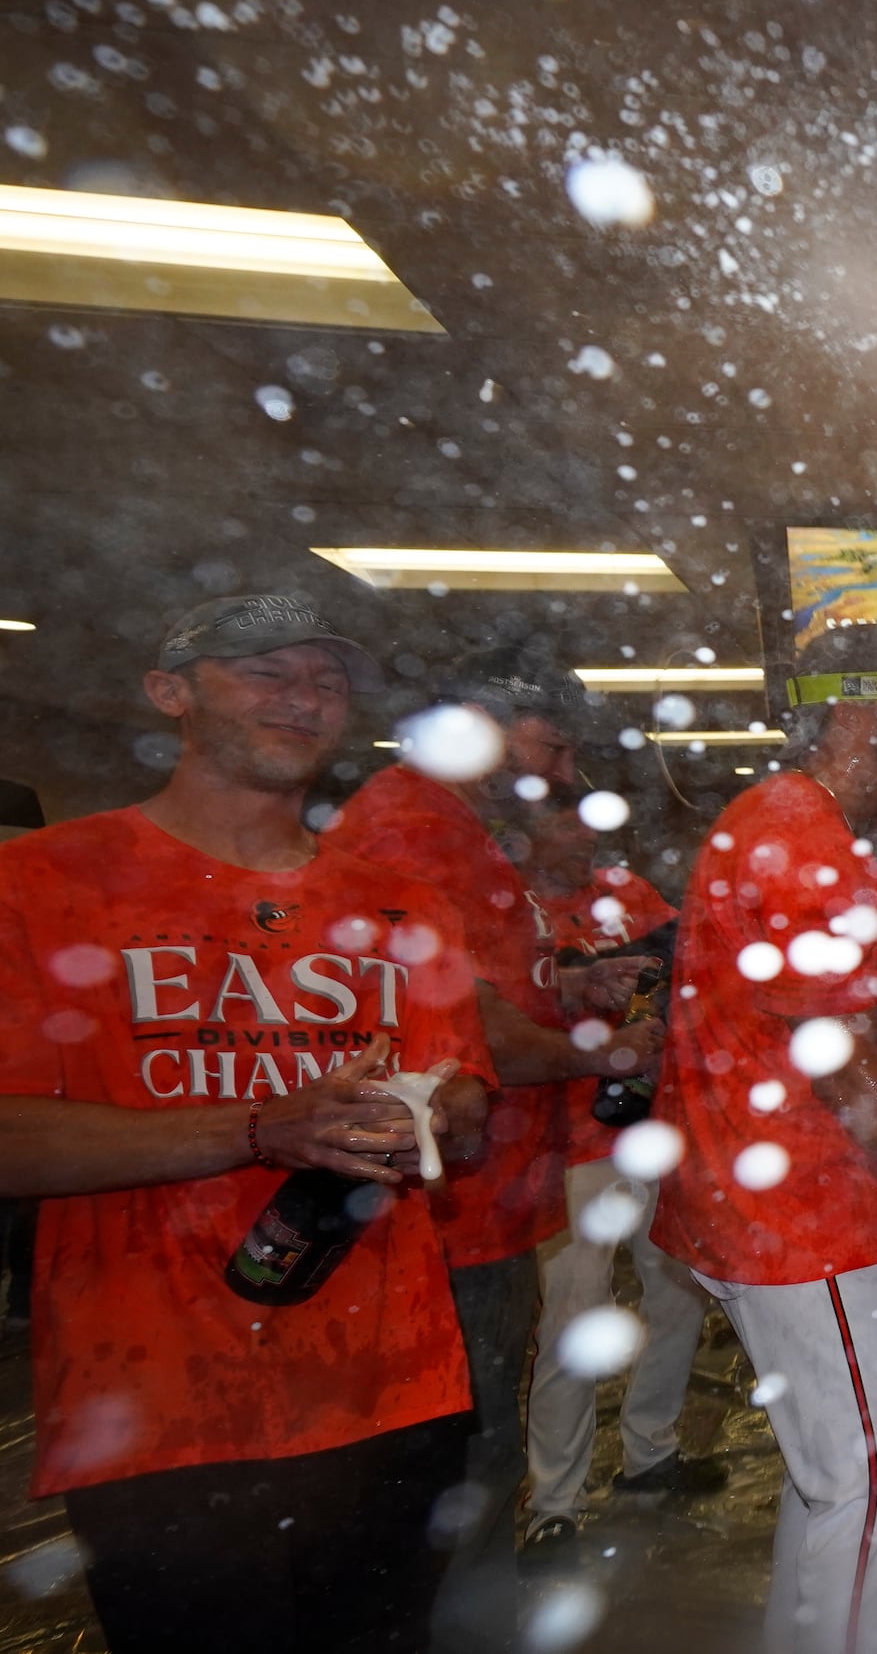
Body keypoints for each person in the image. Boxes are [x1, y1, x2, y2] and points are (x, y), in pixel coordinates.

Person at [0, 593, 491, 1654]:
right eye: (265, 673)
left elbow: (470, 1105)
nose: (305, 699)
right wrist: (262, 1129)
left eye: (325, 680)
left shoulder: (406, 908)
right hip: (154, 1404)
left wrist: (444, 1112)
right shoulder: (41, 886)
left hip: (389, 1389)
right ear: (169, 693)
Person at [648, 624, 877, 1654]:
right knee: (869, 1489)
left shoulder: (791, 821)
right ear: (858, 709)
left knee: (834, 1479)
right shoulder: (797, 824)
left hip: (763, 1196)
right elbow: (842, 1059)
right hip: (799, 1210)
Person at [333, 649, 664, 1627]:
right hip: (445, 1214)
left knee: (469, 1452)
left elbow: (472, 995)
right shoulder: (412, 832)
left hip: (477, 1200)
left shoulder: (457, 830)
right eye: (551, 744)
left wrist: (565, 990)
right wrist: (602, 1057)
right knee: (456, 1467)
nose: (561, 772)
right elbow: (459, 1029)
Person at [517, 804, 722, 1558]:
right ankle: (553, 1502)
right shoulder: (514, 905)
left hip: (647, 1131)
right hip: (569, 1145)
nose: (581, 837)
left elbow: (689, 952)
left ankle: (650, 1453)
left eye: (585, 824)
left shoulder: (629, 892)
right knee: (575, 1321)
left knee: (678, 1294)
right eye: (562, 822)